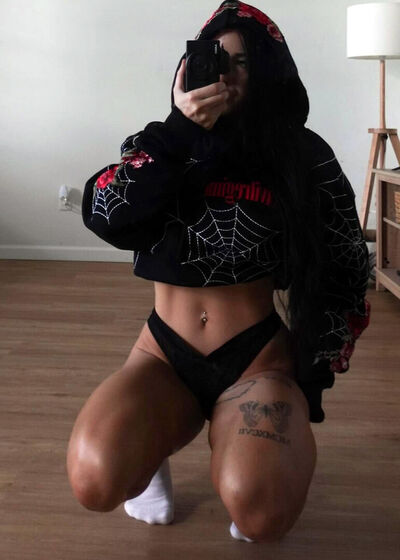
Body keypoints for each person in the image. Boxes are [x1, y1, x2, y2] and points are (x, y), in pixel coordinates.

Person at [67, 0, 371, 544]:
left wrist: (315, 367)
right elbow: (106, 213)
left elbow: (346, 261)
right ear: (189, 64)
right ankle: (149, 451)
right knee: (93, 479)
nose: (225, 72)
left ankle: (241, 457)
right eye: (214, 57)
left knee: (261, 513)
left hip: (257, 358)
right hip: (163, 355)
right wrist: (178, 133)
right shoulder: (158, 144)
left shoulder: (300, 154)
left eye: (242, 61)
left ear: (269, 70)